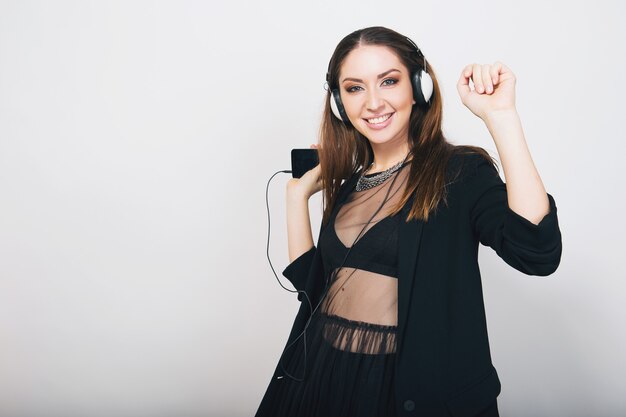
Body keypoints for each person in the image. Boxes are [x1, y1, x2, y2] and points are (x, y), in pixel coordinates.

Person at [255, 26, 562, 417]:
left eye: (388, 81)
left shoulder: (459, 172)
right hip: (323, 375)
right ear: (338, 103)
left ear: (419, 86)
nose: (373, 102)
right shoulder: (352, 184)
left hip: (406, 391)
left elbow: (537, 252)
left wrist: (502, 118)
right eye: (354, 88)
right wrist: (296, 199)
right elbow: (315, 289)